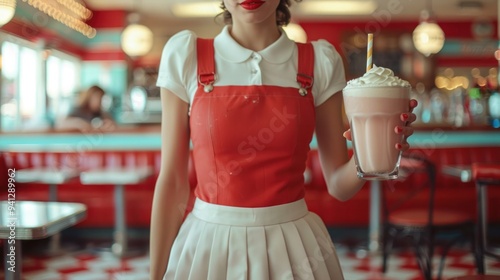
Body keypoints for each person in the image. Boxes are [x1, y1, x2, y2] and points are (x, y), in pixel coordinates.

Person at [150, 0, 418, 279]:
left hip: (293, 248)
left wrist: (373, 145)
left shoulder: (321, 61)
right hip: (208, 246)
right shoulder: (186, 55)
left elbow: (339, 186)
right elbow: (172, 183)